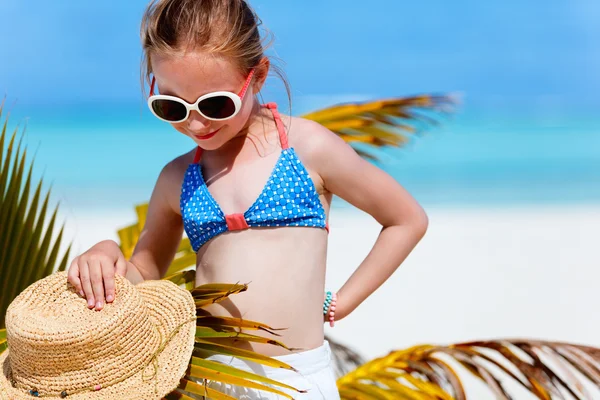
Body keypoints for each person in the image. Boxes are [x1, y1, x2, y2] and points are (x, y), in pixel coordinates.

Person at [67, 0, 428, 398]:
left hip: (295, 379)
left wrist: (342, 301)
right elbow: (145, 270)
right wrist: (106, 252)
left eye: (215, 104)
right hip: (207, 379)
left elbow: (405, 219)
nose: (196, 122)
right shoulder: (176, 177)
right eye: (172, 106)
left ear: (257, 77)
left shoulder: (307, 149)